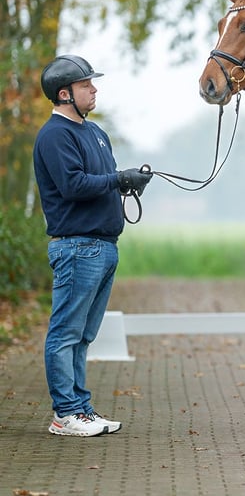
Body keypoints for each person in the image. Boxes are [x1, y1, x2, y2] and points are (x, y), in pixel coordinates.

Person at [33, 55, 152, 437]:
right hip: (76, 247)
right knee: (66, 333)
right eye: (86, 85)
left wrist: (129, 181)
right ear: (65, 93)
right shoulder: (55, 135)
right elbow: (73, 185)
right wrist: (119, 180)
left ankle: (81, 409)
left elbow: (101, 179)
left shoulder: (94, 132)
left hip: (102, 246)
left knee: (84, 336)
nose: (94, 89)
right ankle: (65, 414)